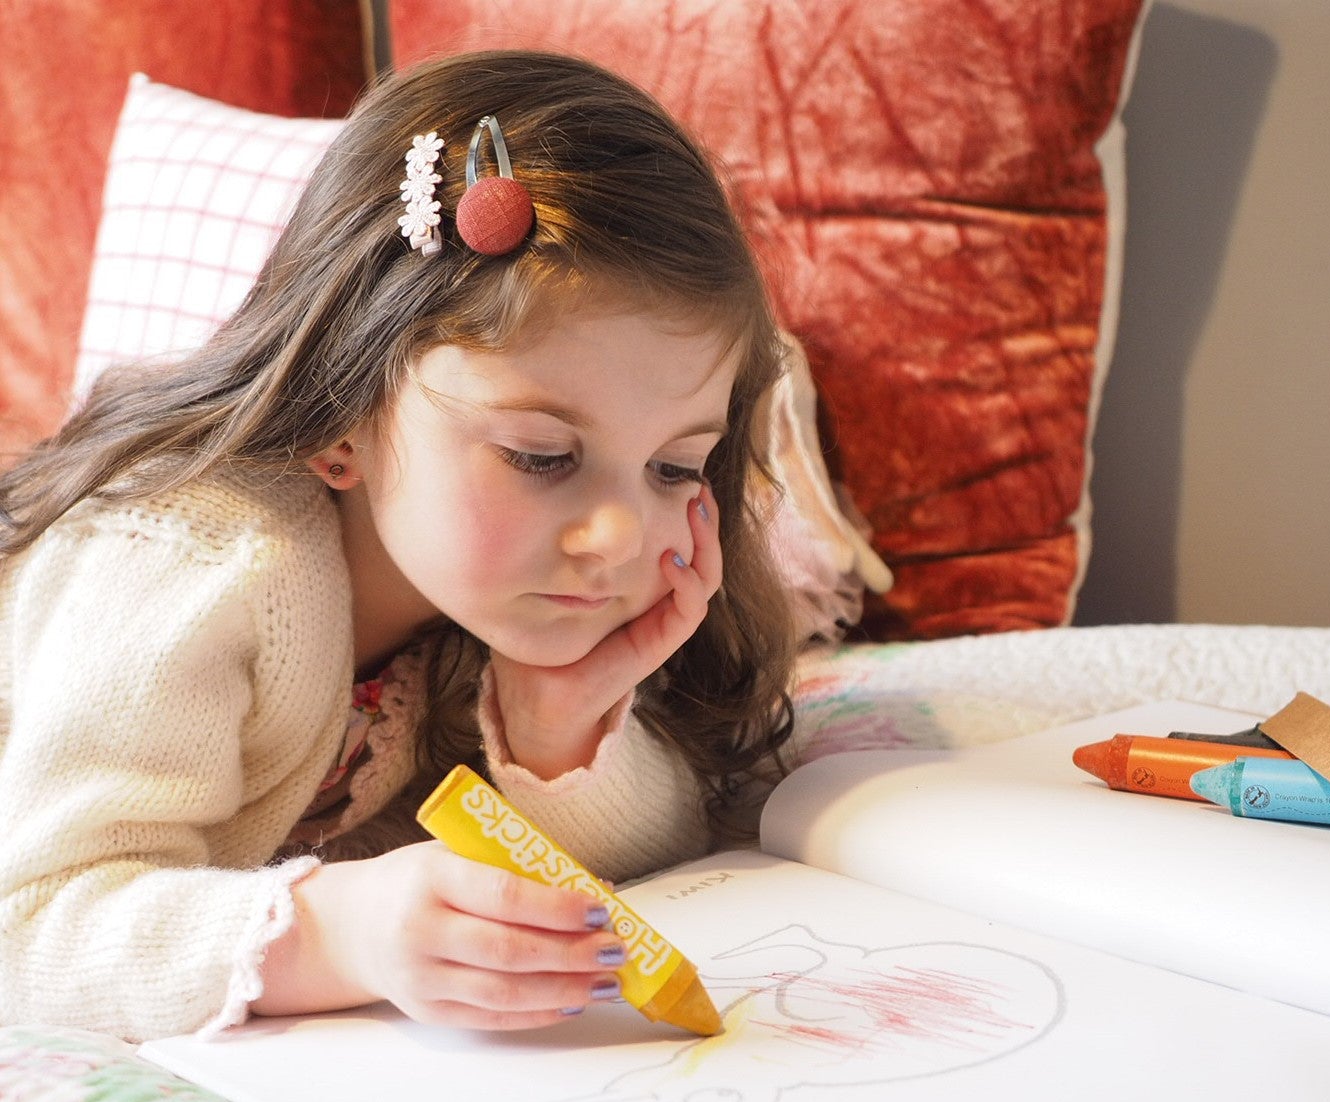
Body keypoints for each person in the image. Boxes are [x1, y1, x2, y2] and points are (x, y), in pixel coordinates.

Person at [0, 50, 805, 1042]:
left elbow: (660, 852)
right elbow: (28, 929)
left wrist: (554, 732)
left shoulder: (478, 604)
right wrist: (328, 938)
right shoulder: (194, 561)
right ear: (343, 416)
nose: (620, 535)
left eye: (676, 468)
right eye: (541, 456)